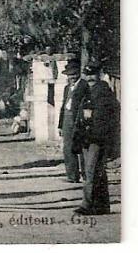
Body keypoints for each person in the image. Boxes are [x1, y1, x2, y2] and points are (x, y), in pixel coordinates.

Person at [74, 62, 119, 215]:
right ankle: (102, 205)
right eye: (87, 75)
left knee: (91, 172)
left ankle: (88, 205)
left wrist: (97, 136)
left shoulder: (103, 92)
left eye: (93, 75)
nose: (90, 78)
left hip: (96, 138)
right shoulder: (87, 90)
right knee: (97, 171)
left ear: (99, 75)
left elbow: (104, 119)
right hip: (87, 137)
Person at [57, 60, 87, 183]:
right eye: (69, 75)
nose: (71, 77)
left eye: (73, 74)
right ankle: (72, 175)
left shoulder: (84, 86)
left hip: (78, 120)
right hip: (67, 120)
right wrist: (60, 125)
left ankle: (86, 175)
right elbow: (63, 106)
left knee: (82, 148)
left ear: (78, 73)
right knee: (68, 148)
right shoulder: (67, 88)